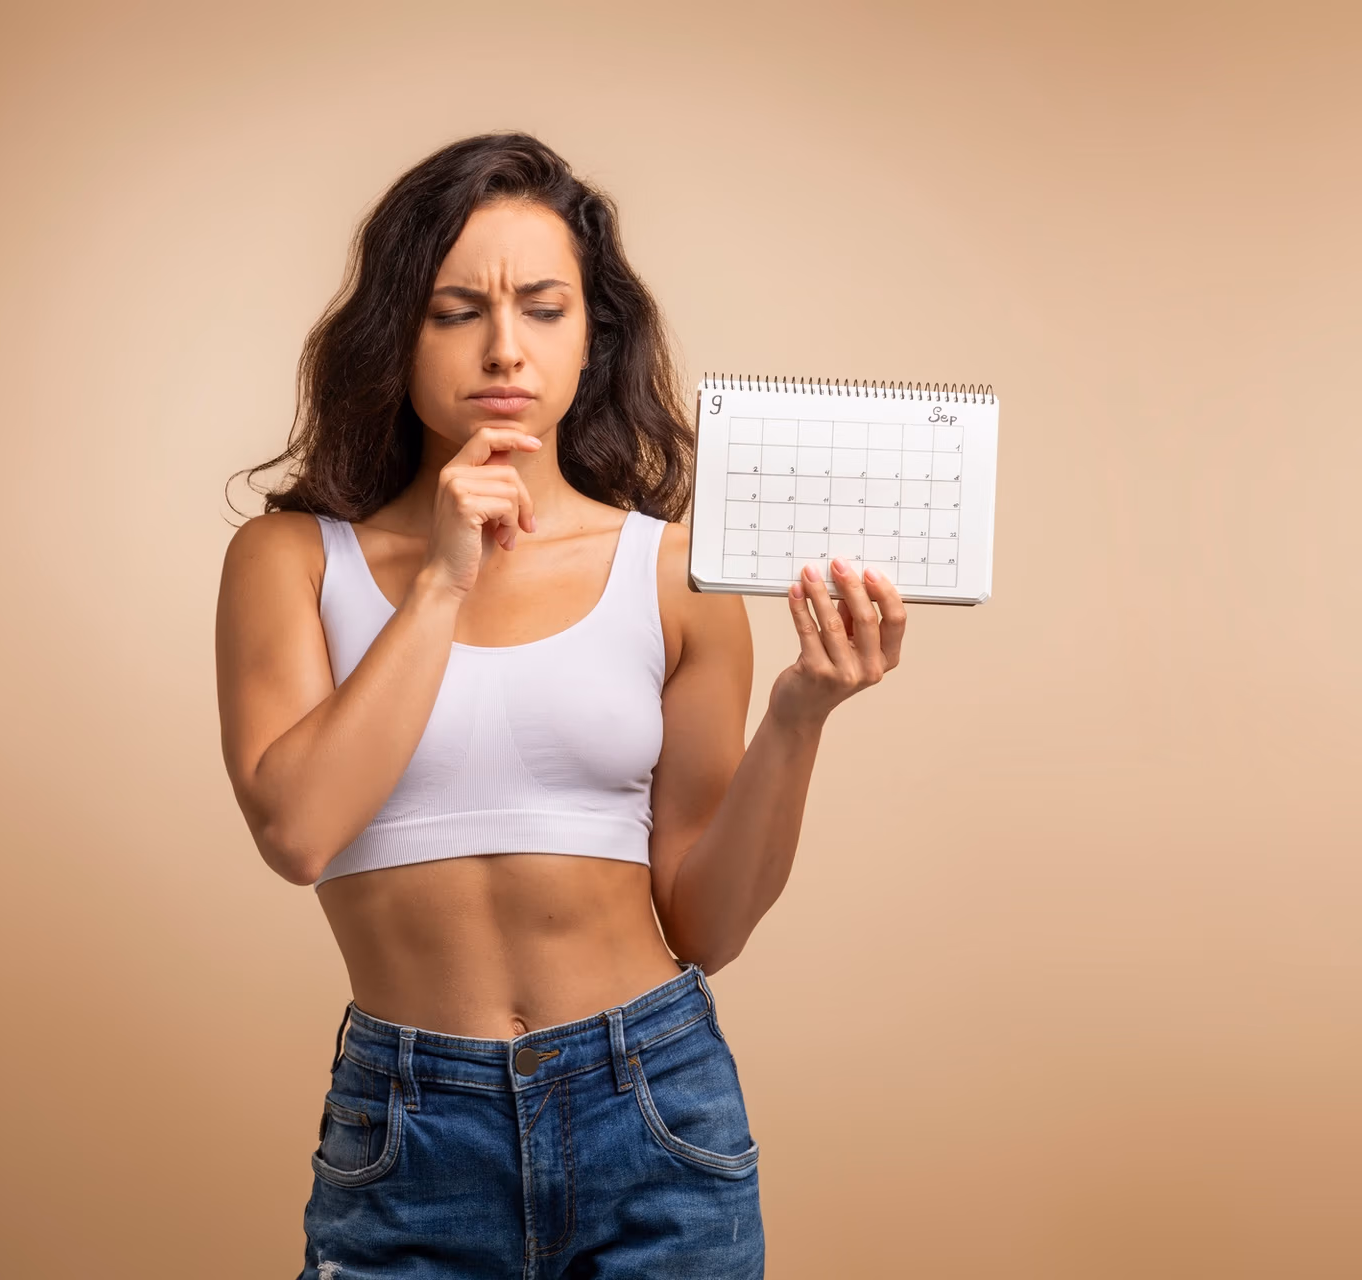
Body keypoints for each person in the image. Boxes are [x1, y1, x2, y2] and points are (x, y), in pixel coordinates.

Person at [215, 132, 905, 1279]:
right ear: (398, 329)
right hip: (408, 1128)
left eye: (543, 307)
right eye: (453, 310)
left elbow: (707, 925)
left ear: (594, 335)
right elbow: (298, 830)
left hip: (654, 1108)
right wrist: (441, 576)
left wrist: (798, 715)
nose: (504, 348)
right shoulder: (292, 560)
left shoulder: (674, 574)